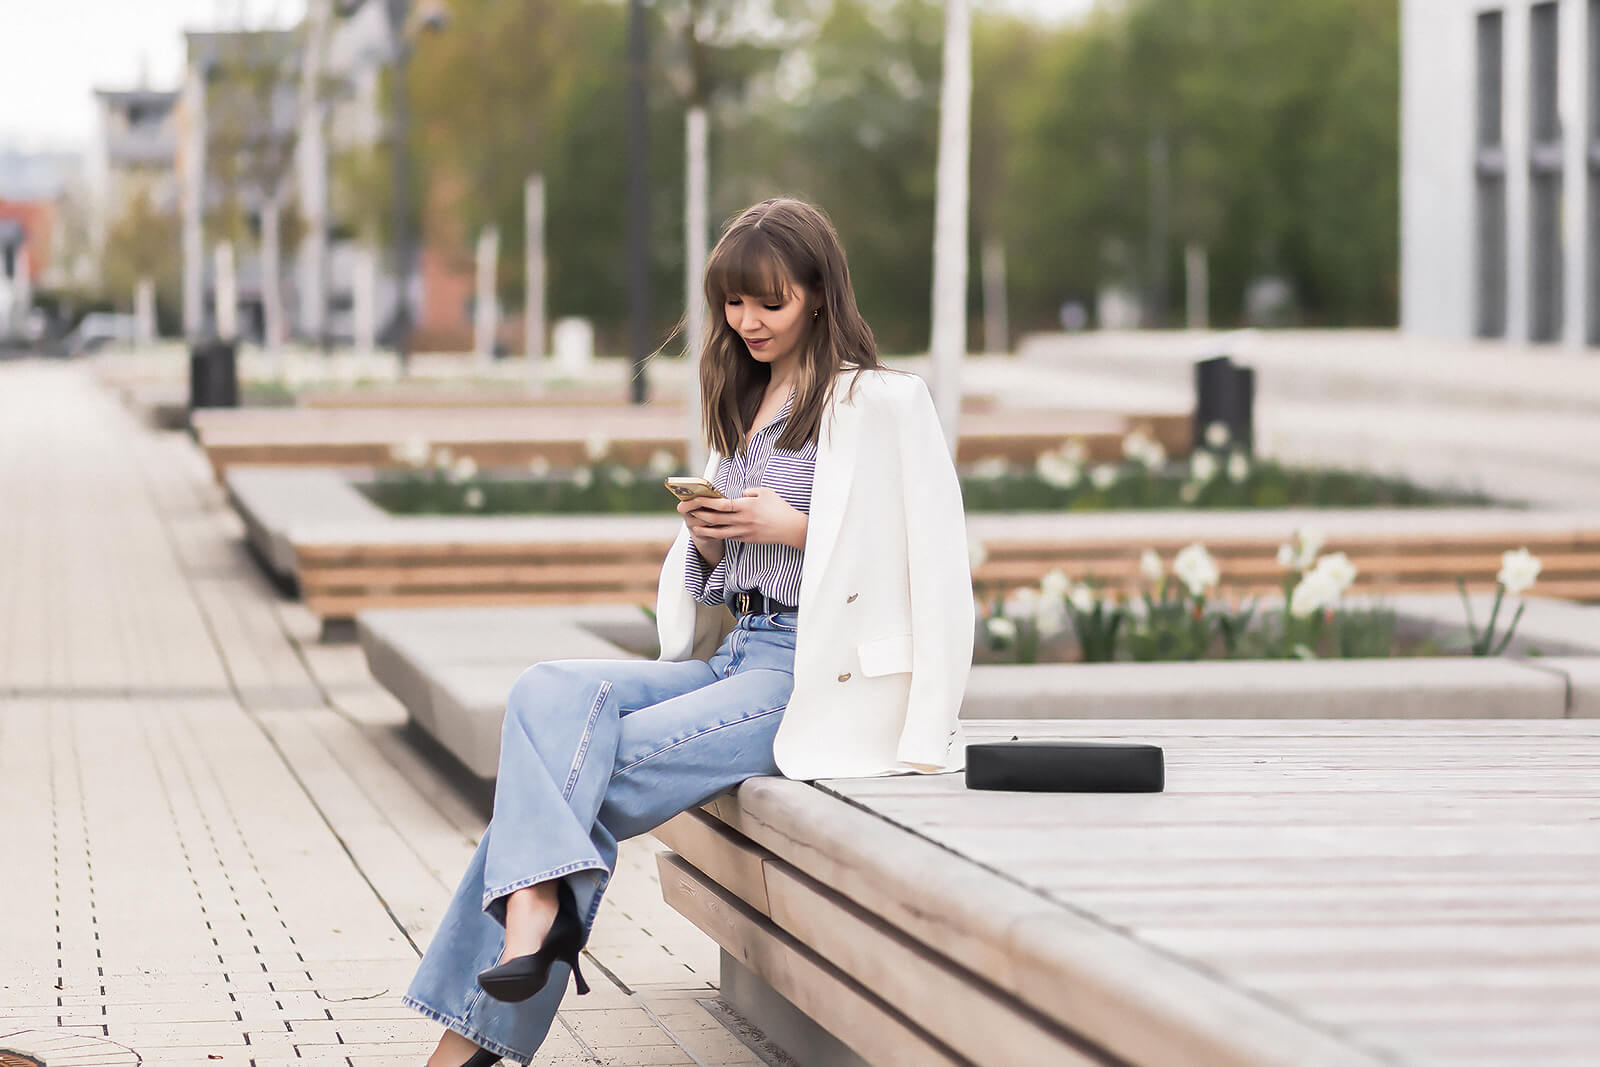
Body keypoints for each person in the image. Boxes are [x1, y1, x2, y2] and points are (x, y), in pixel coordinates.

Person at [406, 197, 974, 1067]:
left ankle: (498, 988)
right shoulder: (744, 397)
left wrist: (797, 529)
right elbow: (714, 580)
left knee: (563, 783)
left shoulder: (883, 403)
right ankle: (534, 930)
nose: (746, 321)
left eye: (768, 303)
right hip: (734, 650)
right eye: (732, 303)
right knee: (547, 692)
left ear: (820, 295)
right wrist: (708, 542)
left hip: (810, 675)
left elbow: (933, 560)